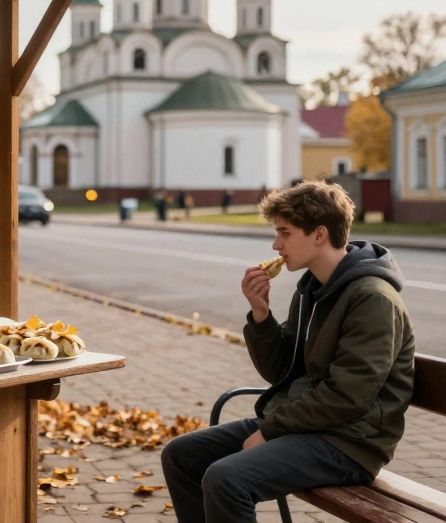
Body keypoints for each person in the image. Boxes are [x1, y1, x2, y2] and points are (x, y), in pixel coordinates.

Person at [160, 181, 415, 523]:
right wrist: (261, 315)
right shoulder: (311, 288)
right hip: (306, 425)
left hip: (350, 442)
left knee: (226, 479)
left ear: (319, 235)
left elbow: (348, 397)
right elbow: (281, 371)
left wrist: (269, 430)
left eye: (285, 233)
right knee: (181, 454)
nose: (275, 244)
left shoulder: (372, 298)